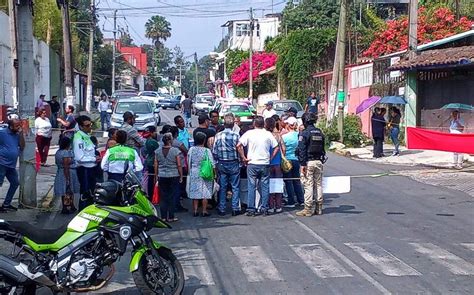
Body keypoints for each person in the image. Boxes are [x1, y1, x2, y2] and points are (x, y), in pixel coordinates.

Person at [237, 116, 279, 216]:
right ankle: (264, 208)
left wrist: (244, 157)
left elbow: (239, 145)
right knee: (265, 186)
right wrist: (270, 158)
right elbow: (276, 147)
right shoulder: (267, 134)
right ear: (263, 124)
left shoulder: (249, 133)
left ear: (254, 124)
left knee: (251, 186)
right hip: (264, 163)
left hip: (252, 163)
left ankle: (251, 209)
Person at [296, 112, 326, 217]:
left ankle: (307, 209)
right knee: (318, 184)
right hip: (319, 161)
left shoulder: (304, 133)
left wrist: (302, 164)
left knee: (308, 184)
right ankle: (319, 208)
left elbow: (302, 150)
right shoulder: (319, 132)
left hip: (308, 162)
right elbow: (323, 148)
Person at [213, 113, 242, 216]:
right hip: (234, 162)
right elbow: (239, 149)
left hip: (222, 163)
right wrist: (240, 161)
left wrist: (217, 162)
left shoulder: (218, 135)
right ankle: (235, 208)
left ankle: (222, 208)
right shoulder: (236, 135)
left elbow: (215, 151)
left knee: (222, 186)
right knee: (235, 186)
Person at [154, 133, 184, 222]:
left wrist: (156, 175)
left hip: (162, 175)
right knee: (171, 196)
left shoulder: (158, 151)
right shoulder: (175, 151)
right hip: (173, 175)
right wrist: (181, 175)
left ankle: (163, 216)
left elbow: (156, 164)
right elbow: (179, 164)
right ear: (170, 140)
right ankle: (171, 216)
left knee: (163, 197)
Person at [187, 132, 216, 217]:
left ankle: (195, 210)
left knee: (195, 192)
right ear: (204, 141)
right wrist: (215, 173)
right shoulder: (207, 150)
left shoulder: (191, 149)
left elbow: (189, 160)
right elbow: (212, 163)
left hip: (194, 171)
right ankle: (204, 211)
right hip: (205, 172)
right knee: (205, 192)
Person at [0, 118, 25, 212]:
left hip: (11, 165)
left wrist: (21, 134)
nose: (18, 127)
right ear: (10, 126)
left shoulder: (17, 135)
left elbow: (22, 146)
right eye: (16, 126)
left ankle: (6, 204)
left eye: (19, 125)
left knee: (15, 183)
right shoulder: (2, 133)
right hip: (2, 163)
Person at [74, 115, 98, 209]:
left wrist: (95, 157)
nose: (90, 127)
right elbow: (79, 157)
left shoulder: (86, 136)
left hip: (91, 169)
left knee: (91, 193)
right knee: (85, 193)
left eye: (90, 125)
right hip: (84, 169)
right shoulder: (78, 138)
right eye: (87, 125)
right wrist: (94, 159)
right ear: (81, 126)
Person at [282, 116, 305, 208]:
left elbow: (282, 149)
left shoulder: (284, 137)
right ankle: (301, 200)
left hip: (287, 160)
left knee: (288, 181)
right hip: (296, 160)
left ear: (289, 125)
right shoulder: (299, 136)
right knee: (297, 180)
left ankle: (291, 201)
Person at [53, 137, 80, 213]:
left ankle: (69, 205)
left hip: (60, 172)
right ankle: (68, 206)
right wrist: (67, 177)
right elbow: (66, 165)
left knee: (65, 190)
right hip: (67, 172)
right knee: (68, 189)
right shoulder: (66, 153)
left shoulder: (58, 152)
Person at [266, 117, 286, 214]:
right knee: (278, 184)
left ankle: (270, 206)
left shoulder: (265, 135)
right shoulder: (278, 135)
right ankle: (278, 205)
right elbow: (283, 148)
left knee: (269, 185)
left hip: (268, 163)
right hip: (277, 162)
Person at [143, 126, 159, 199]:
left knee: (150, 179)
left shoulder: (146, 141)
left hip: (148, 161)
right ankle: (153, 195)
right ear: (152, 133)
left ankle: (149, 194)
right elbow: (158, 152)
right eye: (155, 132)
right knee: (153, 179)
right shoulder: (153, 142)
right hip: (153, 161)